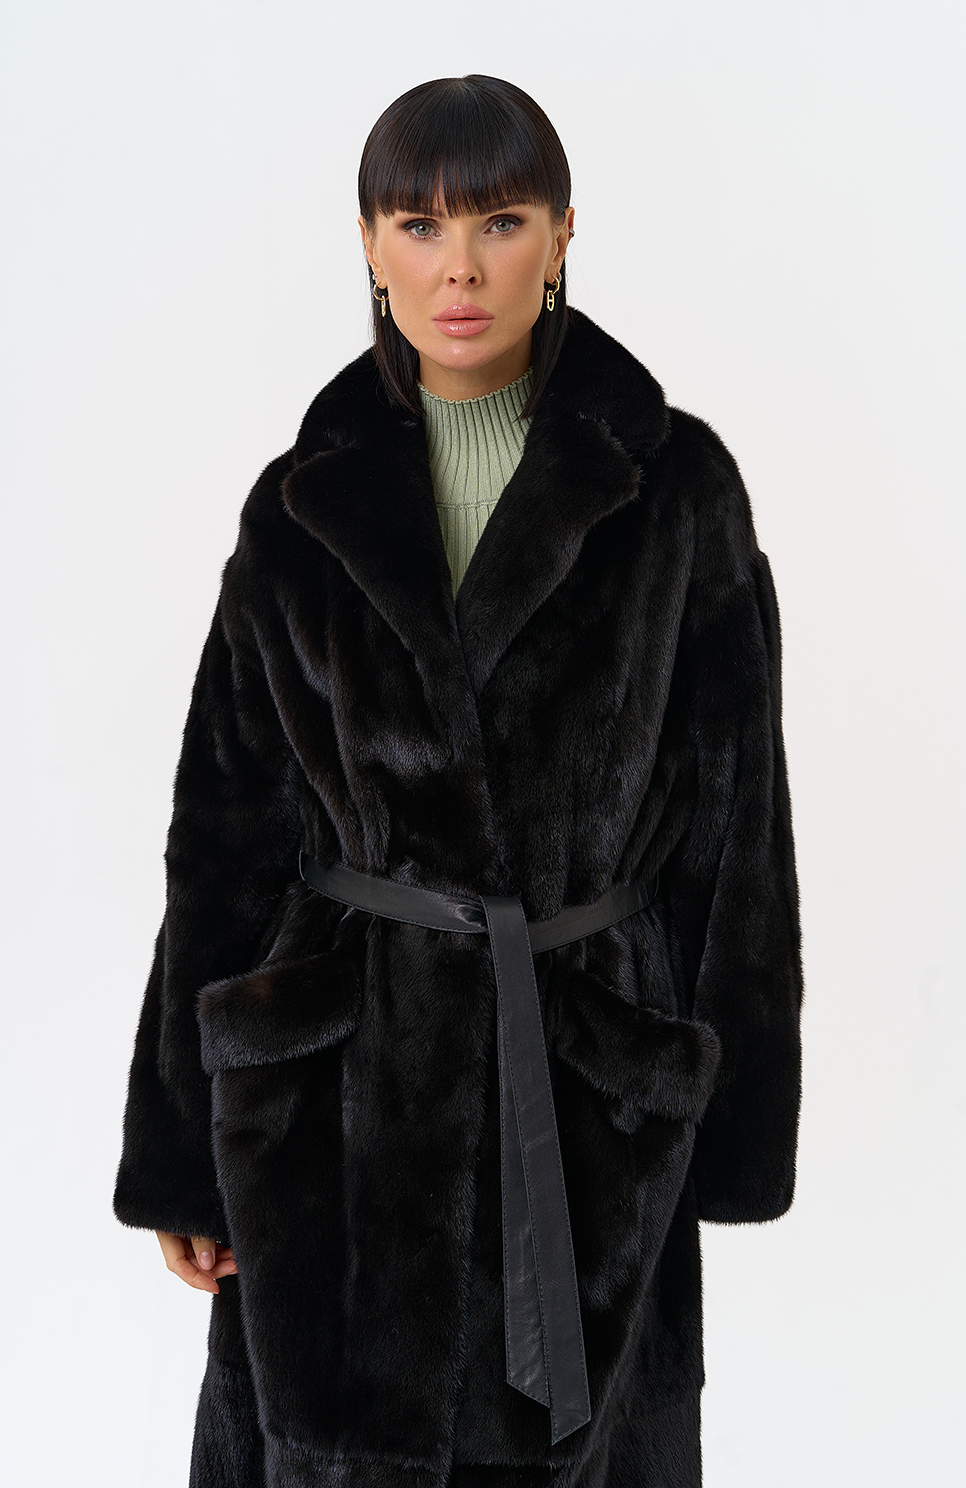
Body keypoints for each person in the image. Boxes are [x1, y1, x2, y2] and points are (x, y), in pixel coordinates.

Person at [114, 74, 803, 1488]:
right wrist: (180, 1150)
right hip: (338, 1091)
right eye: (421, 225)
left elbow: (741, 822)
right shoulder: (299, 504)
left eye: (501, 220)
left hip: (585, 1077)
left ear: (562, 234)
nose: (462, 268)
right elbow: (225, 830)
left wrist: (734, 1125)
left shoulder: (675, 492)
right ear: (370, 244)